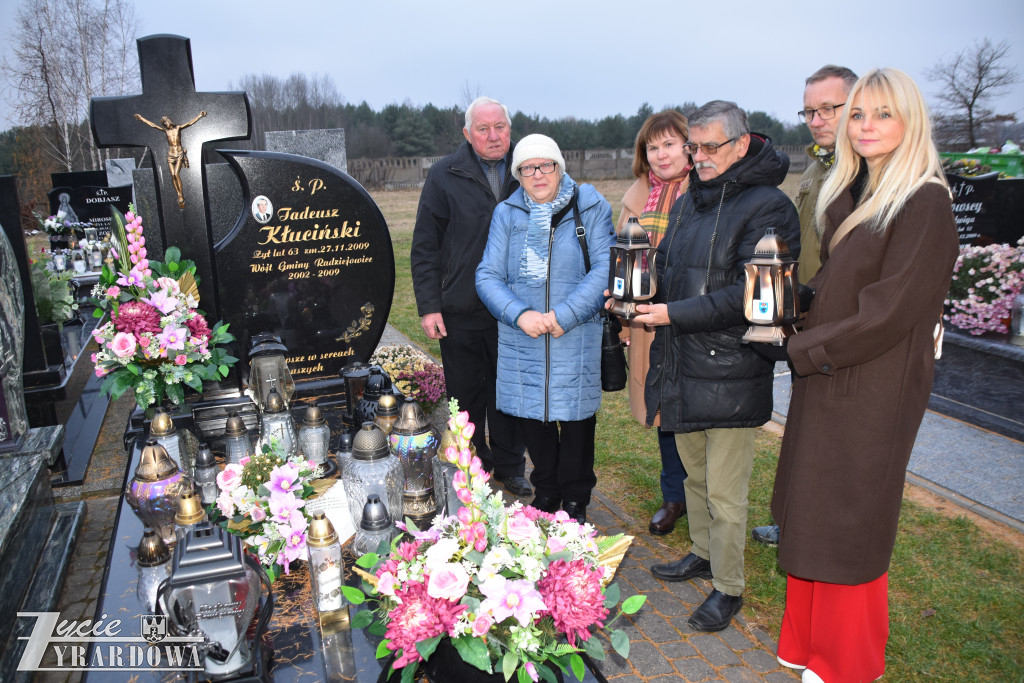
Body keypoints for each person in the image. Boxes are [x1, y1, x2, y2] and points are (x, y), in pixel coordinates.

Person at [770, 68, 958, 683]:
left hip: (872, 385)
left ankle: (845, 663)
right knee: (811, 508)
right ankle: (806, 645)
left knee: (848, 517)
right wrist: (784, 304)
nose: (866, 125)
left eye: (882, 113)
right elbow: (840, 289)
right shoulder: (857, 191)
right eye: (858, 115)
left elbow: (888, 312)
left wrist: (801, 348)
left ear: (911, 121)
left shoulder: (923, 200)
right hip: (830, 375)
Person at [633, 101, 800, 632]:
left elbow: (749, 296)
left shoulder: (769, 207)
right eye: (693, 147)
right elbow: (669, 268)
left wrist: (670, 313)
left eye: (709, 147)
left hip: (728, 368)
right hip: (681, 361)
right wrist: (636, 289)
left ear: (742, 144)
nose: (697, 157)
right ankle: (702, 554)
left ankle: (729, 586)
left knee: (727, 491)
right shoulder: (689, 200)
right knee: (696, 478)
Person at [476, 134, 615, 524]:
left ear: (559, 167)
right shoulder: (507, 213)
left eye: (545, 165)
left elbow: (604, 267)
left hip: (575, 332)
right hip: (524, 335)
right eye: (527, 168)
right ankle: (547, 490)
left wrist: (565, 315)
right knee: (532, 418)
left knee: (575, 422)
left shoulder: (589, 205)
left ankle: (575, 496)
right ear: (518, 174)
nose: (538, 174)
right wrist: (520, 315)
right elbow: (488, 275)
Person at [752, 64, 858, 548]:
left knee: (832, 435)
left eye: (827, 109)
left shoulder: (864, 171)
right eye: (809, 110)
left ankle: (818, 528)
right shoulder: (821, 164)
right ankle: (794, 518)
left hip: (839, 321)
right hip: (804, 314)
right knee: (803, 428)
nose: (816, 120)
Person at [410, 96, 530, 497]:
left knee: (509, 392)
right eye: (483, 128)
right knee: (466, 394)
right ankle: (472, 463)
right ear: (467, 133)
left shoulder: (528, 169)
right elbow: (426, 244)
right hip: (461, 306)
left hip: (515, 309)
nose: (493, 136)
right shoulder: (446, 174)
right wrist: (430, 306)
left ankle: (512, 465)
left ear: (510, 130)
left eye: (500, 127)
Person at [616, 110, 693, 535]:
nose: (661, 155)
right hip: (649, 320)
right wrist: (626, 322)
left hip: (694, 319)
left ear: (689, 146)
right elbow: (622, 265)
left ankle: (702, 496)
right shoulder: (637, 196)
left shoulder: (706, 188)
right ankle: (673, 497)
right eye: (652, 147)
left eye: (669, 144)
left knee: (696, 408)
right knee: (663, 408)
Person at [134, 111, 207, 209]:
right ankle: (178, 193)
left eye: (167, 122)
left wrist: (199, 116)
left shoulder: (178, 128)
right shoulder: (165, 131)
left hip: (179, 154)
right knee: (172, 175)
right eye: (164, 123)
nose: (166, 124)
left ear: (170, 121)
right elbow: (153, 125)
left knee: (176, 174)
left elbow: (190, 123)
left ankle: (181, 195)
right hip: (171, 155)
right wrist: (142, 118)